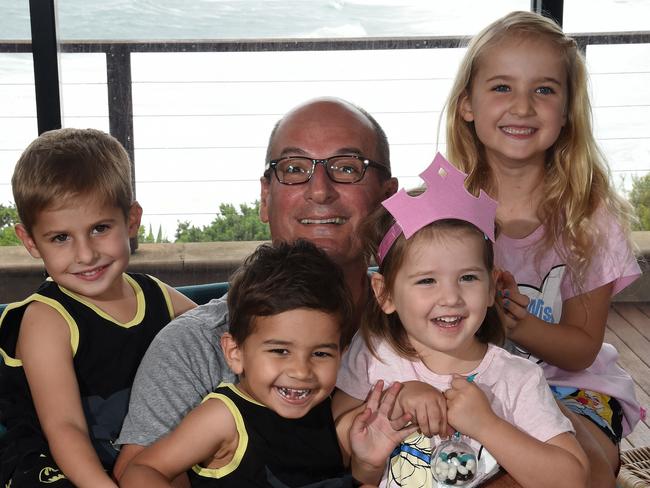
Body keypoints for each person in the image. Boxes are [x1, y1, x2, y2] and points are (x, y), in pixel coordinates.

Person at [113, 97, 399, 481]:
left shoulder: (436, 322)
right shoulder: (195, 344)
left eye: (346, 168)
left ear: (388, 199)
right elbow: (140, 472)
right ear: (266, 198)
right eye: (294, 169)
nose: (319, 191)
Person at [444, 11, 642, 487]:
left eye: (544, 90)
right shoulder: (443, 213)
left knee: (581, 471)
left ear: (567, 111)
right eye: (501, 87)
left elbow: (580, 347)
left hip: (573, 388)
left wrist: (512, 320)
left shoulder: (587, 217)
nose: (523, 106)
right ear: (467, 104)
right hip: (473, 386)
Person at [333, 153, 589, 487]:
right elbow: (334, 441)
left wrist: (487, 425)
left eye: (468, 278)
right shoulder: (373, 357)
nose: (451, 297)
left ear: (491, 287)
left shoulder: (515, 380)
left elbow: (571, 479)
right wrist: (396, 401)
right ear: (385, 294)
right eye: (427, 281)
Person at [121, 240, 416, 487]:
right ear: (235, 352)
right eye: (280, 351)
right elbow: (142, 471)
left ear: (343, 353)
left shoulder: (329, 414)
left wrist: (368, 464)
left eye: (321, 354)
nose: (301, 371)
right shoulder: (223, 417)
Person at [0, 128, 196, 488]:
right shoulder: (47, 318)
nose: (86, 254)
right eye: (61, 238)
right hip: (60, 462)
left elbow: (214, 330)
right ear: (30, 241)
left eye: (99, 228)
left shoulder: (156, 295)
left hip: (140, 454)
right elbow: (65, 427)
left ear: (132, 220)